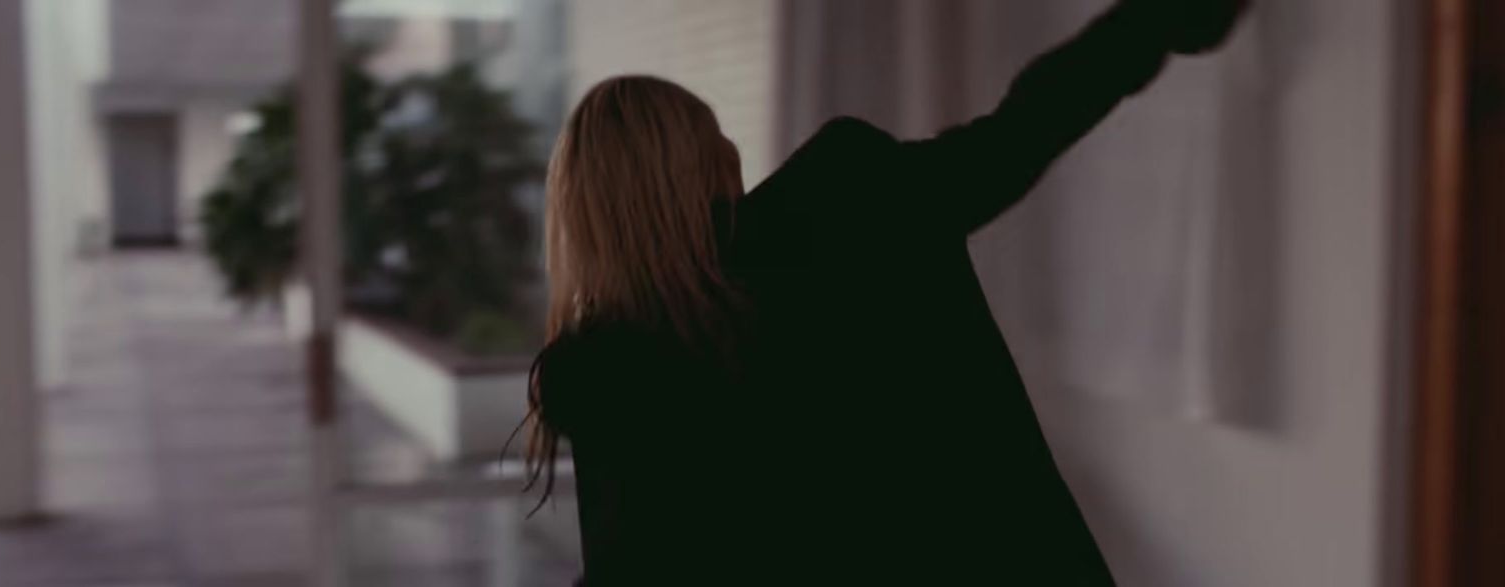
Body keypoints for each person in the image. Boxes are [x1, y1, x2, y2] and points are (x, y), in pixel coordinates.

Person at [526, 0, 1247, 584]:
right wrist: (1157, 20)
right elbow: (1022, 132)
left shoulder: (601, 373)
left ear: (586, 221)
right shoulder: (848, 199)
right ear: (714, 161)